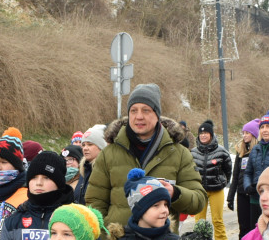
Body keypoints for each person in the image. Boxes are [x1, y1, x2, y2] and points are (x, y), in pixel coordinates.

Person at [85, 83, 206, 231]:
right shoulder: (109, 153)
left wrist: (174, 193)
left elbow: (198, 200)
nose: (139, 116)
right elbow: (94, 204)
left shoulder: (179, 153)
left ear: (157, 115)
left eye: (146, 110)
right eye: (133, 110)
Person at [190, 120, 232, 240]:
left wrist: (223, 181)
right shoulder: (193, 153)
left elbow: (228, 169)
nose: (203, 136)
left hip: (216, 190)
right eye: (201, 133)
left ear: (211, 134)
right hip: (200, 191)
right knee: (199, 221)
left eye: (206, 133)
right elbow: (189, 171)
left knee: (217, 220)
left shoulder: (221, 152)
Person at [227, 132, 256, 239]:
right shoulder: (241, 152)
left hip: (254, 194)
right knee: (243, 227)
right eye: (243, 133)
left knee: (253, 227)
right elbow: (235, 175)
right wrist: (230, 197)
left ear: (254, 134)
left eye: (247, 133)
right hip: (241, 193)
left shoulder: (258, 150)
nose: (244, 135)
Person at [76, 124, 106, 205]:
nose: (85, 148)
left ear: (101, 147)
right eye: (83, 145)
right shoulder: (84, 169)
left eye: (90, 144)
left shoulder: (105, 171)